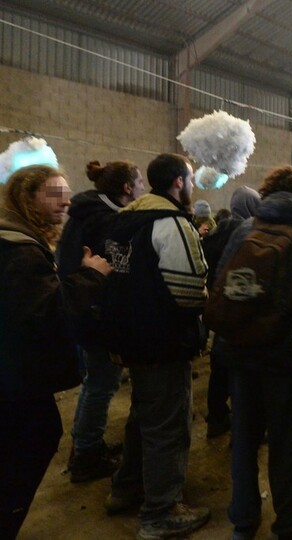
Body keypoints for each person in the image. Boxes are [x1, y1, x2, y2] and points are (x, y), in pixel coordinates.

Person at [213, 166, 292, 540]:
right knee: (288, 445)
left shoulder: (243, 230)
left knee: (244, 439)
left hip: (239, 350)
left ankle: (243, 519)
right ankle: (289, 527)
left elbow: (221, 281)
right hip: (287, 359)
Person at [103, 153, 211, 539]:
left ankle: (126, 487)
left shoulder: (124, 219)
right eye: (191, 178)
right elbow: (189, 290)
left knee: (143, 417)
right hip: (162, 341)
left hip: (129, 338)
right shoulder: (171, 222)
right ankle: (160, 512)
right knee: (168, 426)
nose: (192, 185)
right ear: (178, 182)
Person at [0, 165, 110, 538]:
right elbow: (45, 316)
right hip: (16, 379)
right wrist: (91, 275)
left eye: (66, 192)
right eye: (53, 193)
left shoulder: (13, 238)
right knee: (28, 449)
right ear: (26, 197)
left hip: (11, 373)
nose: (65, 201)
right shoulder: (20, 251)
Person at [56, 159, 145, 483]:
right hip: (97, 315)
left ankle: (84, 444)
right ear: (127, 188)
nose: (142, 188)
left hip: (83, 310)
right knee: (101, 385)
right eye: (139, 182)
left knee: (95, 383)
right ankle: (86, 456)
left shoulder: (86, 212)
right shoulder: (106, 221)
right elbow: (116, 271)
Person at [200, 185, 261, 439]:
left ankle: (216, 418)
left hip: (218, 306)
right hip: (240, 309)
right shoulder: (248, 232)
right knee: (242, 373)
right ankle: (242, 427)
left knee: (219, 366)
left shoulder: (217, 231)